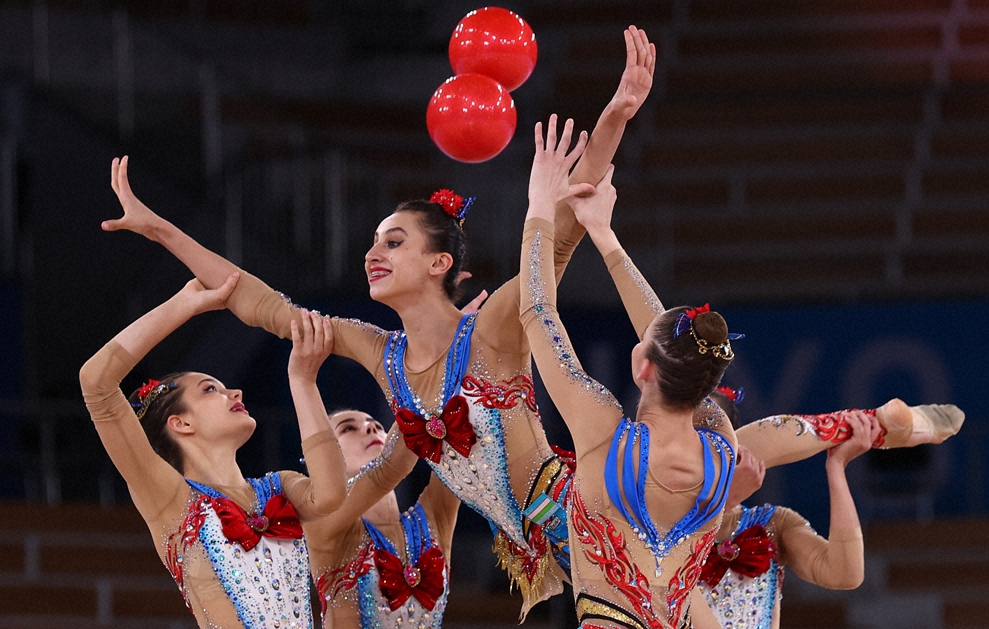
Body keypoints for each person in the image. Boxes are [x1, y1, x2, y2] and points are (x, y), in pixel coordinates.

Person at [101, 26, 658, 616]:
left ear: (440, 263)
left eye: (394, 242)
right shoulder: (379, 353)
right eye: (373, 242)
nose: (373, 253)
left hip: (593, 518)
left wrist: (618, 114)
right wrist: (163, 232)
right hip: (564, 554)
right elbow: (261, 306)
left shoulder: (492, 328)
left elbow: (563, 234)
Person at [521, 115, 737, 629]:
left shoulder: (601, 430)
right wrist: (603, 234)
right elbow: (676, 349)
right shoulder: (721, 445)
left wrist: (540, 206)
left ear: (642, 366)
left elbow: (537, 313)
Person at [79, 276, 349, 629]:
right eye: (211, 389)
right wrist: (183, 306)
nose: (236, 393)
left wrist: (303, 381)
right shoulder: (170, 498)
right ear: (181, 423)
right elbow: (96, 382)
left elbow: (331, 494)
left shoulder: (279, 488)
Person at [690, 390, 876, 629]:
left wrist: (837, 467)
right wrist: (726, 498)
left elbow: (845, 574)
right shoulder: (657, 526)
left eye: (707, 437)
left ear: (736, 446)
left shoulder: (773, 523)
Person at [306, 409, 460, 629]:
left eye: (378, 426)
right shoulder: (320, 522)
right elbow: (392, 465)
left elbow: (459, 438)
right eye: (348, 428)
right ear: (323, 458)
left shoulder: (432, 521)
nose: (371, 428)